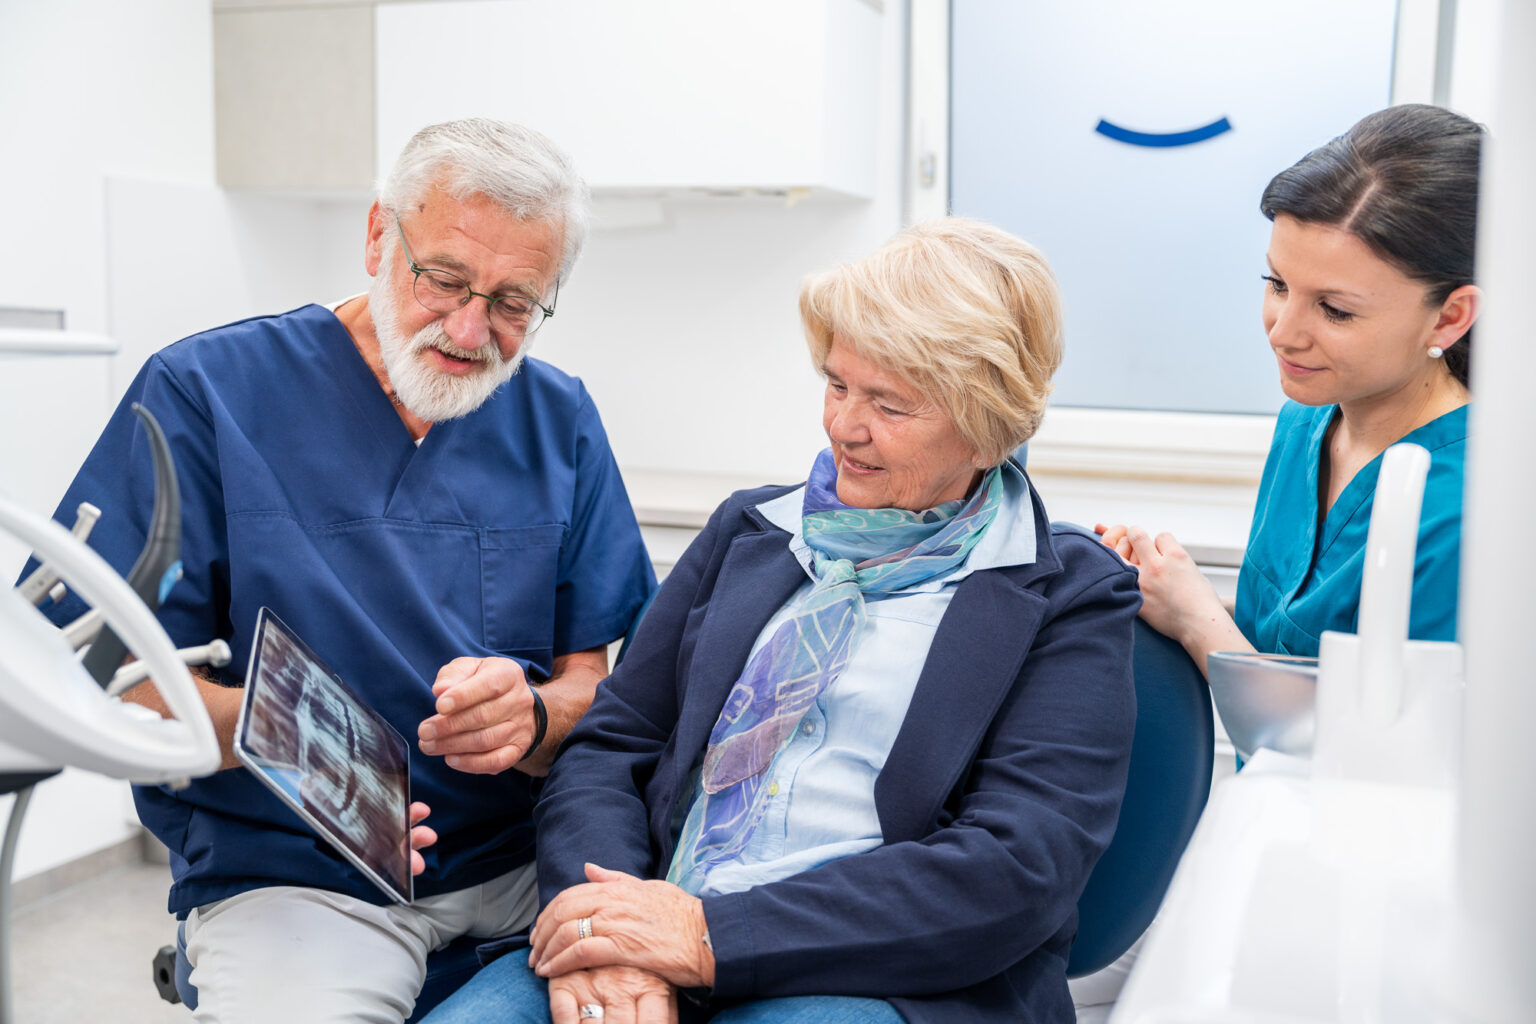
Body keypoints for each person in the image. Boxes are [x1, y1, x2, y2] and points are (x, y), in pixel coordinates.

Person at [420, 218, 1141, 1024]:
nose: (844, 428)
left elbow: (1016, 868)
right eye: (837, 385)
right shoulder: (753, 532)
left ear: (989, 420)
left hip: (876, 974)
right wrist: (607, 923)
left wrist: (706, 935)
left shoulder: (1069, 595)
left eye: (891, 404)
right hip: (645, 920)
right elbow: (610, 750)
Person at [25, 118, 655, 1022]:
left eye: (515, 302)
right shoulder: (210, 394)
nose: (471, 327)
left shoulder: (558, 420)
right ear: (375, 236)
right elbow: (92, 666)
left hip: (523, 866)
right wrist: (299, 750)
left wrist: (533, 714)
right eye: (443, 279)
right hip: (296, 878)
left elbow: (595, 685)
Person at [1098, 104, 1481, 671]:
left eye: (1333, 310)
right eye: (1276, 283)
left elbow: (1372, 748)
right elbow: (1287, 641)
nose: (1282, 332)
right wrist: (1163, 589)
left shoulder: (1471, 510)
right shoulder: (1306, 421)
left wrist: (1195, 617)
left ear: (1449, 318)